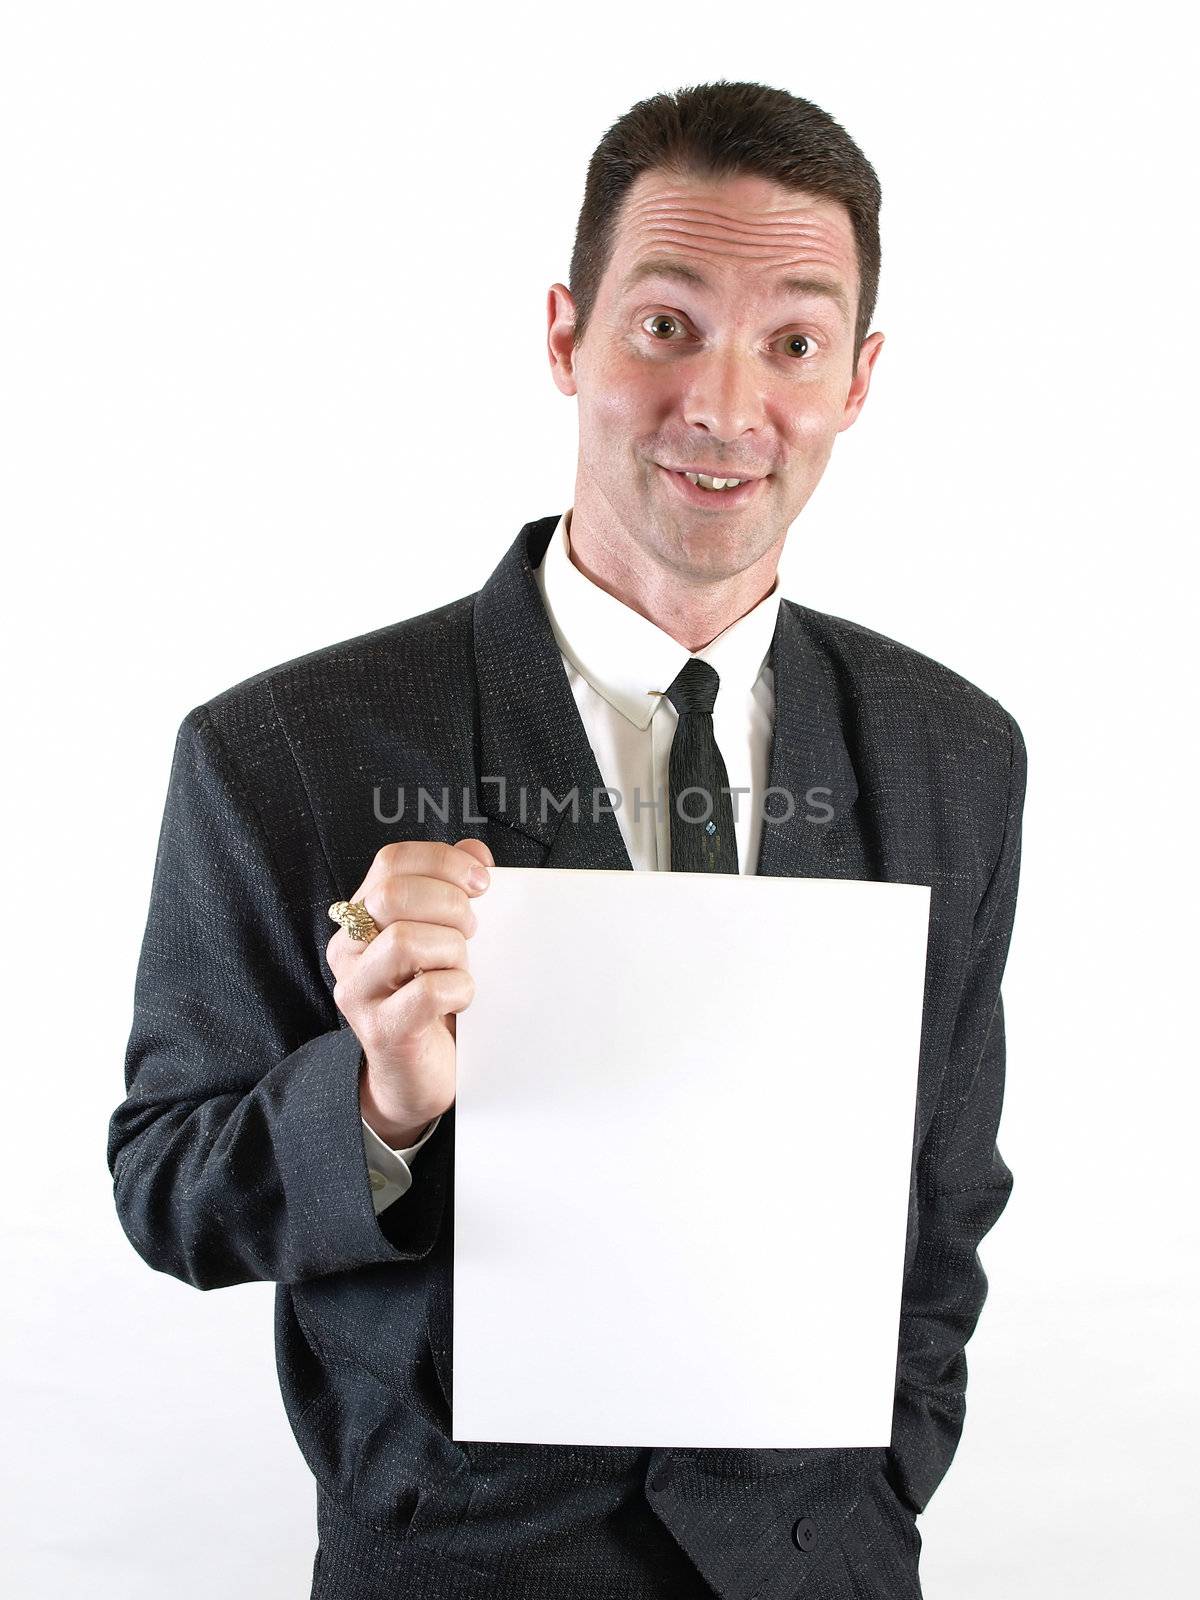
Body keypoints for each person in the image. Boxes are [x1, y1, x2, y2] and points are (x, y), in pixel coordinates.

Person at [109, 80, 1026, 1600]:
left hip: (824, 1566)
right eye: (667, 325)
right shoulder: (282, 749)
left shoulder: (956, 753)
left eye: (791, 342)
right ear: (566, 336)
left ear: (857, 381)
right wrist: (379, 1107)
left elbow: (947, 1190)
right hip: (460, 1569)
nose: (726, 407)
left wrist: (885, 1481)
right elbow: (165, 1183)